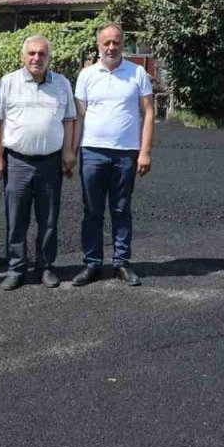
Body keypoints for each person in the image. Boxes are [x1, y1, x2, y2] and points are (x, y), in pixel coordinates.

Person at [0, 35, 76, 291]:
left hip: (50, 162)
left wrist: (68, 152)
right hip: (17, 162)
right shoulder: (8, 83)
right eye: (32, 53)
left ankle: (45, 267)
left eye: (42, 54)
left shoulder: (61, 84)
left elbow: (69, 119)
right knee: (16, 219)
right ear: (23, 56)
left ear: (49, 58)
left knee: (48, 219)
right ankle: (16, 268)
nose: (37, 58)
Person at [72, 24, 154, 287]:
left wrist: (145, 151)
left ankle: (121, 262)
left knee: (121, 209)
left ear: (123, 44)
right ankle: (92, 264)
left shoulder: (137, 73)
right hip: (92, 151)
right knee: (92, 211)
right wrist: (70, 152)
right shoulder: (86, 75)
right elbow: (78, 116)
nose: (111, 47)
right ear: (99, 45)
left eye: (116, 42)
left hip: (126, 154)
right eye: (106, 43)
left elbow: (149, 113)